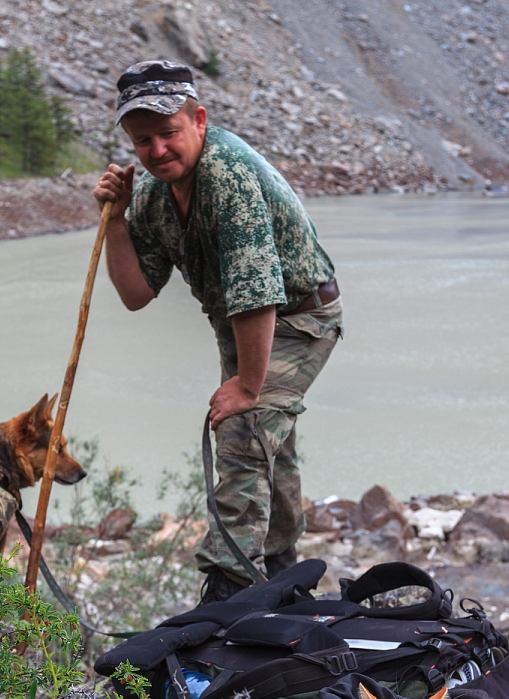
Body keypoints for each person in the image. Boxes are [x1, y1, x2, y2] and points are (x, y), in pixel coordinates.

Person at [93, 60, 342, 603]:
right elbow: (135, 293)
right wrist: (115, 220)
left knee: (245, 429)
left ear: (198, 120)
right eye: (143, 141)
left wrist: (248, 387)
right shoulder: (156, 198)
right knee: (267, 443)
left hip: (297, 317)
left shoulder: (226, 173)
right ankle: (283, 575)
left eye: (168, 133)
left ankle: (227, 593)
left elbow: (257, 292)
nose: (157, 150)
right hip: (243, 325)